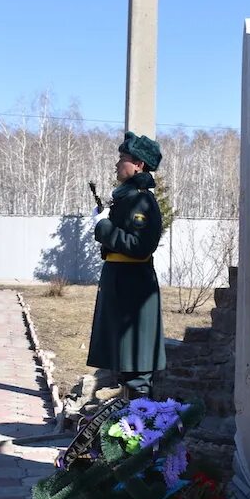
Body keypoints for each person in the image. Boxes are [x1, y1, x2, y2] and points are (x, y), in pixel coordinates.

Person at [86, 132, 166, 399]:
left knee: (136, 368)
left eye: (123, 158)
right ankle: (128, 428)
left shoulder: (142, 200)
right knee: (125, 363)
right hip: (122, 286)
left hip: (133, 290)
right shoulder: (127, 198)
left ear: (139, 165)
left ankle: (140, 432)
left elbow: (139, 246)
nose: (117, 163)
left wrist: (103, 227)